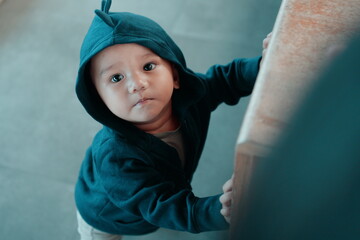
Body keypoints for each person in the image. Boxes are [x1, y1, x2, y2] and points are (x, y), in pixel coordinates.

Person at [74, 0, 270, 239]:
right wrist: (218, 211)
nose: (137, 84)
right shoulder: (116, 158)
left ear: (175, 75)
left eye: (148, 66)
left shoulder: (191, 96)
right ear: (99, 100)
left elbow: (227, 79)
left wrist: (266, 63)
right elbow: (161, 205)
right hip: (105, 216)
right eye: (116, 78)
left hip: (157, 191)